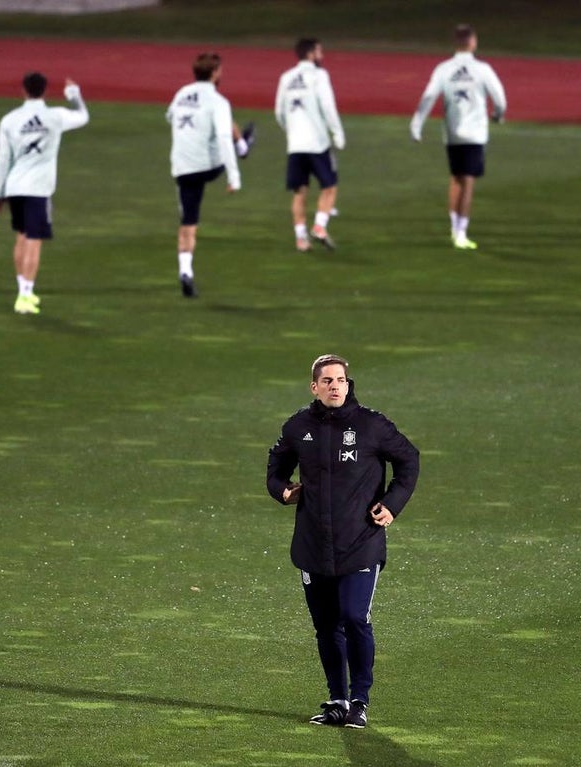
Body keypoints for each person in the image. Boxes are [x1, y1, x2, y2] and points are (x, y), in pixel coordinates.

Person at [266, 354, 420, 729]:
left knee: (354, 617)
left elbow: (409, 460)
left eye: (341, 380)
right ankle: (337, 699)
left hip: (360, 542)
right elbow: (275, 469)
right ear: (314, 387)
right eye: (328, 380)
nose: (336, 385)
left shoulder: (371, 425)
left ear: (349, 385)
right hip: (313, 545)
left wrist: (392, 504)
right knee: (326, 625)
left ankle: (360, 701)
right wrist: (283, 491)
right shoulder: (298, 427)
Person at [0, 71, 89, 315]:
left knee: (22, 236)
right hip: (38, 188)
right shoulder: (54, 116)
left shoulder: (9, 120)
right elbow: (83, 117)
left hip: (14, 186)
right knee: (34, 241)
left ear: (23, 90)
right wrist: (74, 94)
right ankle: (25, 295)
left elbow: (3, 159)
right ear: (45, 90)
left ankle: (23, 290)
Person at [410, 23, 507, 251]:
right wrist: (498, 115)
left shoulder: (443, 69)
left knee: (456, 179)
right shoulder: (482, 69)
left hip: (452, 133)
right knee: (469, 181)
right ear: (473, 42)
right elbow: (500, 98)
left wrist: (416, 125)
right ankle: (461, 232)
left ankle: (455, 228)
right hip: (474, 134)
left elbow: (428, 97)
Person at [167, 52, 242, 298]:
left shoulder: (181, 93)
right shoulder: (218, 101)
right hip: (208, 167)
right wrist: (234, 177)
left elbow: (169, 117)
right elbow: (222, 138)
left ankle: (185, 271)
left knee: (188, 222)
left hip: (181, 167)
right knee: (228, 139)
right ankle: (244, 146)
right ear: (214, 73)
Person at [275, 38, 345, 252]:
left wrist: (292, 131)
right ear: (311, 54)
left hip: (295, 145)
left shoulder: (286, 78)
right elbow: (328, 106)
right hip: (317, 143)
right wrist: (337, 132)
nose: (322, 56)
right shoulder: (319, 76)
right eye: (319, 52)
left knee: (300, 192)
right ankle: (319, 227)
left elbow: (279, 112)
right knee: (330, 186)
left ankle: (300, 239)